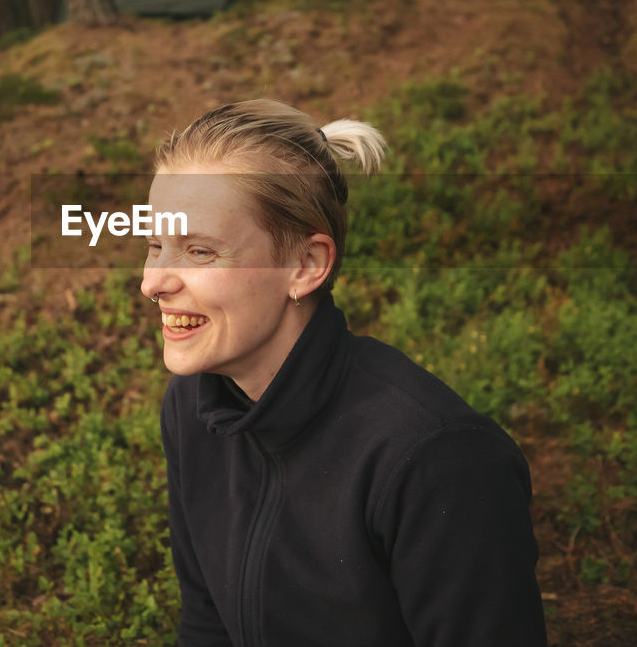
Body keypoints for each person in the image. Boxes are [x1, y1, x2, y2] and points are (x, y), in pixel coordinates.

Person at [140, 99, 547, 647]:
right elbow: (206, 623)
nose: (155, 282)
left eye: (199, 250)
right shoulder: (192, 408)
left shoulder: (438, 460)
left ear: (306, 265)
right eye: (155, 246)